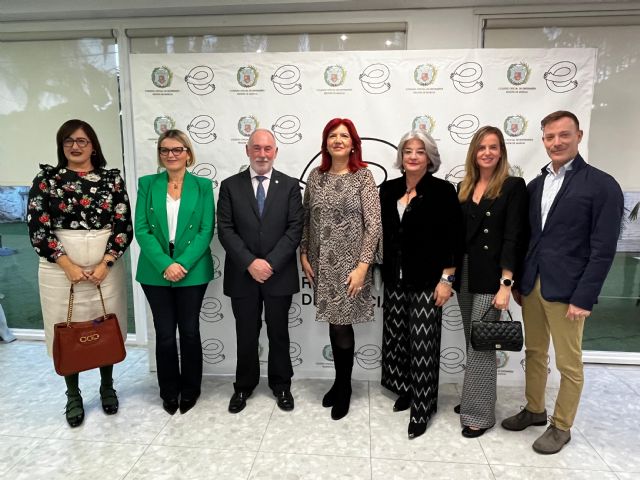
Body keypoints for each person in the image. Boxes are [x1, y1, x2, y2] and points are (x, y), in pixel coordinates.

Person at [501, 111, 624, 454]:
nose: (556, 142)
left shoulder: (602, 185)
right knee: (535, 352)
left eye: (563, 135)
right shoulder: (536, 184)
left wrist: (584, 297)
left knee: (569, 363)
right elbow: (529, 238)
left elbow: (603, 249)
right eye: (550, 137)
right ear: (542, 140)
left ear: (579, 135)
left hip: (570, 291)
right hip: (533, 285)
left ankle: (562, 426)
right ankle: (534, 410)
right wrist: (523, 283)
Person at [27, 119, 132, 427]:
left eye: (82, 141)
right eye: (68, 141)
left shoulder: (111, 180)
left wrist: (106, 262)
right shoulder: (47, 179)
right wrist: (67, 264)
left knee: (106, 325)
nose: (75, 146)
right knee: (67, 329)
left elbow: (123, 225)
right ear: (62, 146)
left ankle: (107, 387)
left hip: (106, 269)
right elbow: (37, 227)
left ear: (93, 145)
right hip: (60, 270)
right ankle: (73, 395)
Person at [379, 129, 463, 439]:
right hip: (395, 279)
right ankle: (408, 390)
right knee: (398, 338)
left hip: (429, 281)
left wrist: (447, 279)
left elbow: (454, 239)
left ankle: (423, 407)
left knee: (424, 344)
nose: (413, 156)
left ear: (430, 158)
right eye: (408, 151)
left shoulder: (442, 191)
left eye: (420, 151)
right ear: (401, 157)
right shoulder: (387, 190)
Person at [300, 118, 382, 421]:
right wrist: (304, 252)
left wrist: (362, 267)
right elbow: (307, 218)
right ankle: (339, 382)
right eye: (332, 136)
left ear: (353, 143)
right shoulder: (316, 177)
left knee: (342, 325)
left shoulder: (363, 176)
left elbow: (373, 225)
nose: (338, 140)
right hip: (322, 263)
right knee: (335, 324)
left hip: (351, 266)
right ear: (326, 143)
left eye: (343, 136)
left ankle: (344, 388)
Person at [217, 129, 303, 414]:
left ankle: (281, 385)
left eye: (268, 148)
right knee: (246, 333)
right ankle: (243, 386)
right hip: (243, 275)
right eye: (257, 148)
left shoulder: (290, 186)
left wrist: (270, 263)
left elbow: (295, 230)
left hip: (279, 275)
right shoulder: (230, 186)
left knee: (279, 333)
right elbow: (226, 230)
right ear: (247, 150)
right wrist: (250, 263)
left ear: (276, 152)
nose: (262, 154)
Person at [453, 126, 528, 438]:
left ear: (501, 152)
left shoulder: (513, 186)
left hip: (493, 276)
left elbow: (514, 237)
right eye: (481, 147)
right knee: (474, 339)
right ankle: (476, 395)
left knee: (482, 345)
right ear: (474, 152)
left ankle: (479, 415)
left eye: (493, 147)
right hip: (465, 271)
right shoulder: (463, 185)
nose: (487, 152)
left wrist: (506, 283)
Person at [135, 129, 214, 415]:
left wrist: (181, 263)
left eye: (177, 149)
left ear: (188, 154)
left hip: (191, 270)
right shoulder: (147, 184)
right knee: (165, 333)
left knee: (190, 331)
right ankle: (169, 391)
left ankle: (191, 389)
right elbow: (141, 229)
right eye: (165, 150)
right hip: (155, 271)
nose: (171, 155)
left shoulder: (203, 186)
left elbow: (206, 230)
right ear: (159, 155)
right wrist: (165, 264)